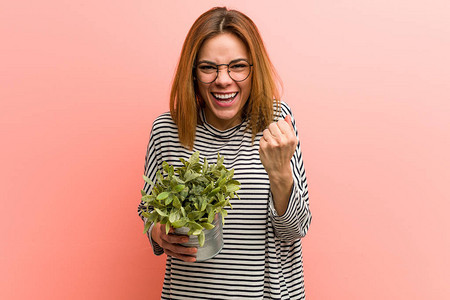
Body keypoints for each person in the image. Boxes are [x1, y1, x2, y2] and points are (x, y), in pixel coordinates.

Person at [138, 7, 312, 299]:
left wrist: (280, 174)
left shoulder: (277, 122)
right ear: (193, 73)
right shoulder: (167, 129)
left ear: (253, 69)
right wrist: (158, 232)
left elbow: (294, 230)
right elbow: (148, 211)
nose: (223, 79)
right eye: (208, 67)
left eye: (237, 66)